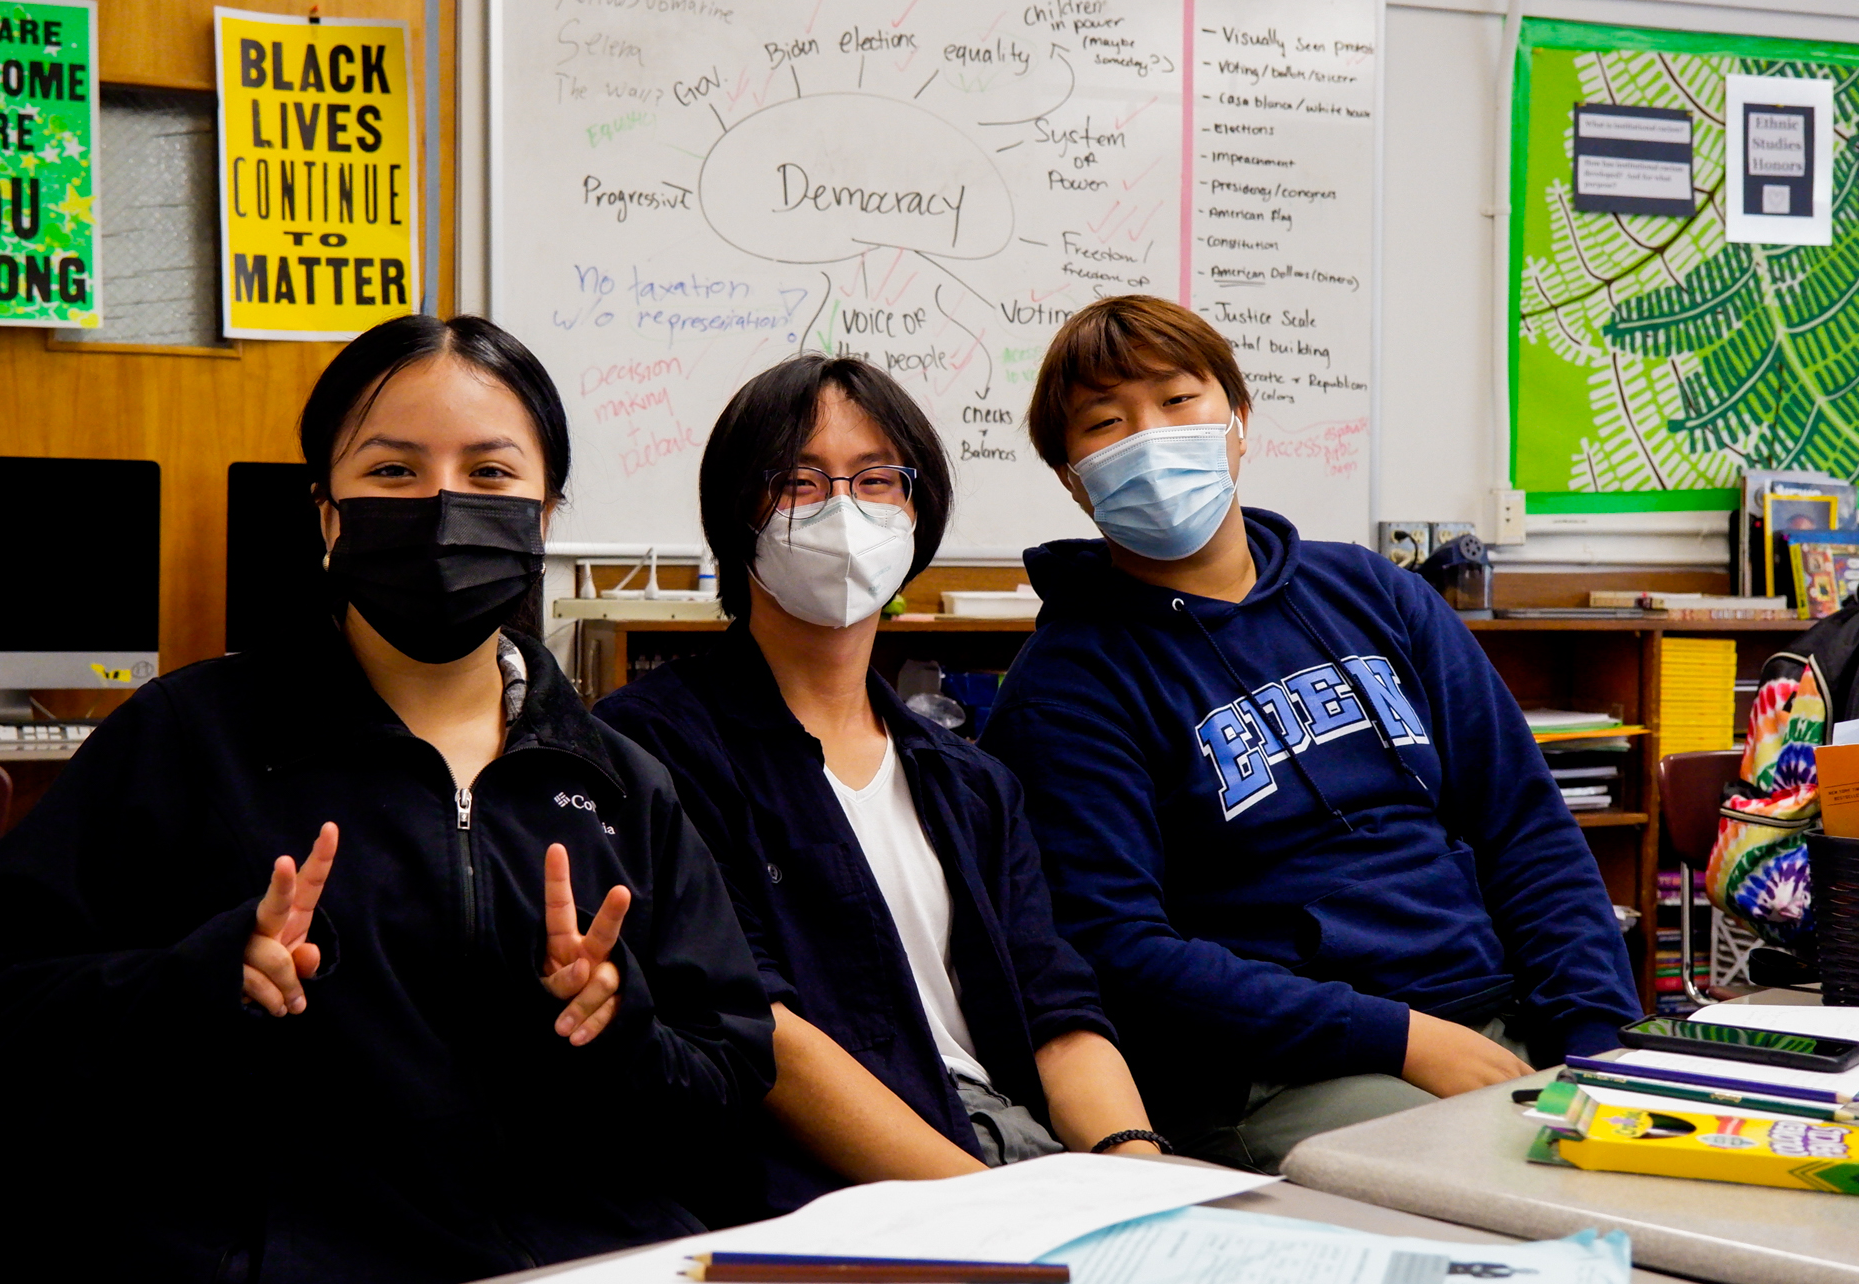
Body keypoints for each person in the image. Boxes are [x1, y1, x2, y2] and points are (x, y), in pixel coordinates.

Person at [0, 314, 776, 1283]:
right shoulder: (187, 741)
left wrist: (618, 1029)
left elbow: (728, 1084)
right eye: (393, 472)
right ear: (326, 515)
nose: (443, 505)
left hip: (589, 1259)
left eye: (489, 474)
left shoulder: (618, 784)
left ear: (544, 516)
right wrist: (202, 978)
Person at [979, 295, 1640, 1174]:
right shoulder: (1067, 685)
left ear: (1239, 421)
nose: (1149, 437)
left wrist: (1597, 1043)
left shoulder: (1372, 592)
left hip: (1496, 1019)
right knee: (1516, 1182)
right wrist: (1401, 1037)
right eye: (1106, 422)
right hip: (1283, 1076)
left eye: (1178, 402)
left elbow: (1524, 825)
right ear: (1073, 477)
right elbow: (1118, 948)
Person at [593, 353, 1164, 1222]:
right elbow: (758, 1026)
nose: (843, 509)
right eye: (798, 481)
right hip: (841, 1190)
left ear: (917, 507)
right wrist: (1001, 1210)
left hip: (1019, 1157)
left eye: (875, 479)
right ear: (734, 512)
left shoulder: (968, 779)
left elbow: (1057, 1010)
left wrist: (1139, 1175)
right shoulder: (654, 746)